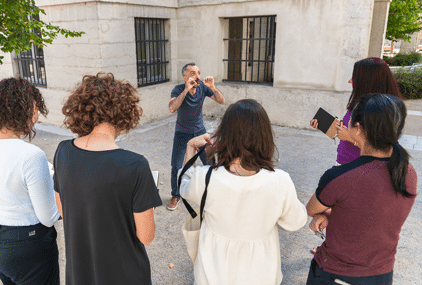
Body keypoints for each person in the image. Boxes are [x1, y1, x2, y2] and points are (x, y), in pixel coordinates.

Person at [180, 99, 308, 285]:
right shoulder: (280, 182)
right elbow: (295, 222)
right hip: (260, 275)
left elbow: (184, 181)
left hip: (212, 275)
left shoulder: (206, 178)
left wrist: (191, 147)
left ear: (224, 134)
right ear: (265, 137)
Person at [54, 72, 162, 285]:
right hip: (124, 274)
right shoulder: (135, 165)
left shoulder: (63, 151)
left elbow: (63, 210)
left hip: (81, 272)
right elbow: (146, 236)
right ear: (125, 113)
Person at [306, 94, 417, 285]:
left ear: (358, 128)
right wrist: (335, 214)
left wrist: (330, 214)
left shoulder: (339, 176)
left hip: (336, 274)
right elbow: (376, 213)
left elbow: (311, 209)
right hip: (381, 274)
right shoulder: (408, 172)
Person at [0, 77, 60, 284]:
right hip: (25, 245)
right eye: (35, 108)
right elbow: (48, 217)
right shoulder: (30, 155)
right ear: (21, 110)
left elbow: (1, 174)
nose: (37, 115)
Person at [310, 57, 402, 166]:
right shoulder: (361, 102)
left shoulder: (383, 110)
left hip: (360, 169)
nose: (350, 81)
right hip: (344, 162)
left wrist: (348, 137)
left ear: (367, 80)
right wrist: (328, 126)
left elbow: (382, 149)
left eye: (354, 77)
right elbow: (355, 128)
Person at [168, 62, 225, 211]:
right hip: (182, 133)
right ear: (184, 76)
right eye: (193, 73)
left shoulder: (203, 89)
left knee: (210, 162)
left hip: (200, 132)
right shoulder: (178, 89)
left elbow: (221, 100)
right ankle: (176, 195)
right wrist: (186, 90)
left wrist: (212, 87)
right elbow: (172, 108)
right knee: (176, 165)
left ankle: (213, 190)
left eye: (198, 72)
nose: (197, 76)